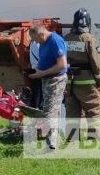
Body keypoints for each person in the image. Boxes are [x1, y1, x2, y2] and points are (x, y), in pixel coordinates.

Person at [63, 8, 100, 139]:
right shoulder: (89, 39)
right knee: (93, 108)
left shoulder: (66, 39)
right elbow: (97, 62)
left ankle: (72, 137)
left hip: (70, 81)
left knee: (72, 111)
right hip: (86, 81)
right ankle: (94, 137)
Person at [28, 20, 69, 150]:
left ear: (40, 34)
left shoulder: (55, 41)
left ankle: (51, 143)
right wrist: (38, 73)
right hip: (46, 79)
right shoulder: (44, 42)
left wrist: (42, 73)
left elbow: (62, 64)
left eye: (36, 39)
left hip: (55, 80)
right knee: (51, 109)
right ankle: (53, 139)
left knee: (49, 111)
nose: (36, 42)